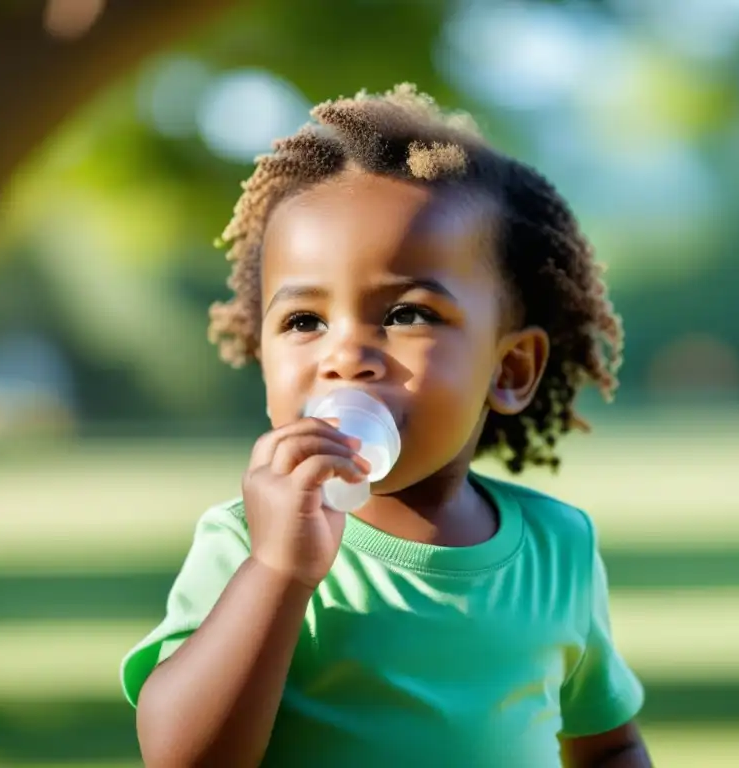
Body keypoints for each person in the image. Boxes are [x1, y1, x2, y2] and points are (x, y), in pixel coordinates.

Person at [120, 84, 652, 767]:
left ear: (511, 369)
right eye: (304, 321)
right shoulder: (247, 544)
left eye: (407, 315)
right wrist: (279, 570)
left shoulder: (558, 549)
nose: (345, 357)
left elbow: (608, 746)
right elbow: (183, 760)